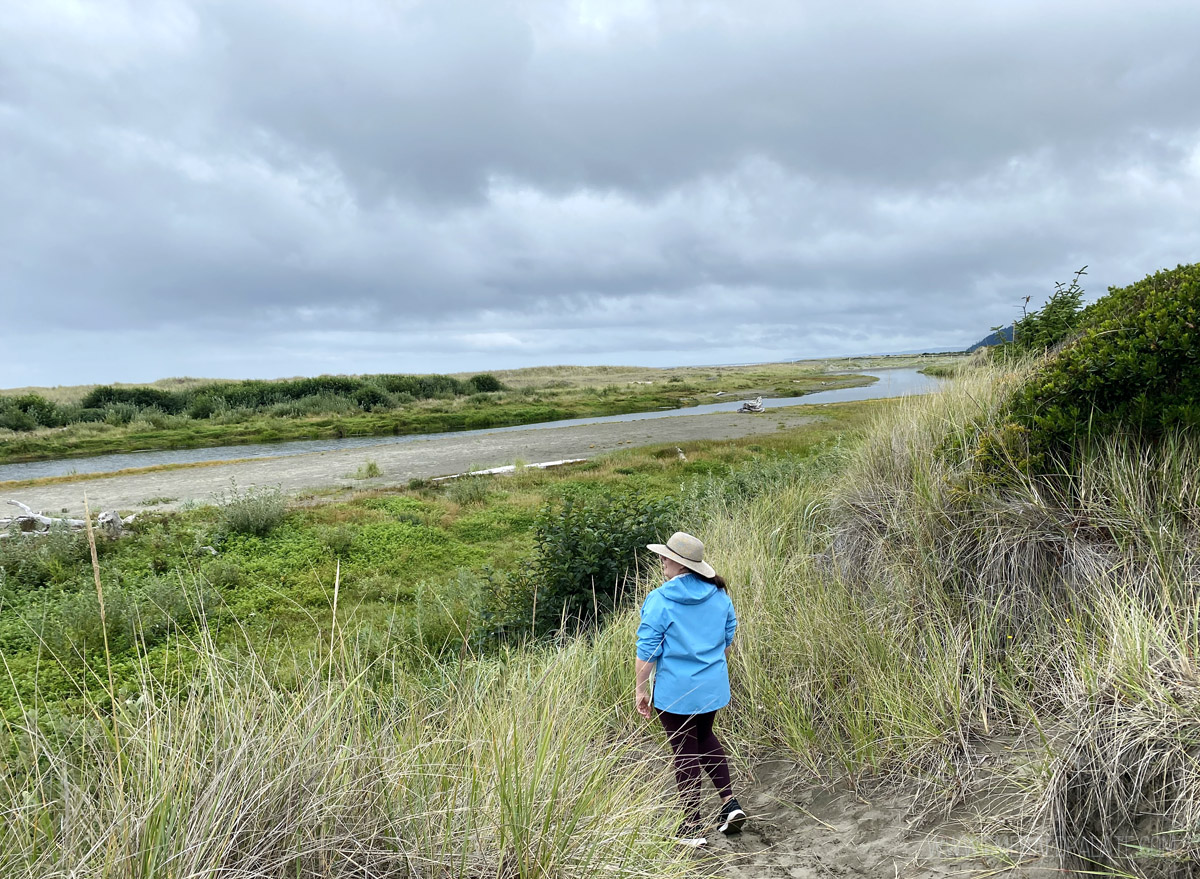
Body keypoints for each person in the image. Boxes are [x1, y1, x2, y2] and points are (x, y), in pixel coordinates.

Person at [636, 531, 746, 847]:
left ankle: (691, 828)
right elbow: (727, 642)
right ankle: (729, 804)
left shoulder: (660, 599)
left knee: (684, 750)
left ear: (679, 564)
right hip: (711, 688)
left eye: (665, 556)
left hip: (676, 692)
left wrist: (641, 690)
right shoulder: (719, 595)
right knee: (704, 737)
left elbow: (647, 651)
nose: (661, 561)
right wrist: (711, 670)